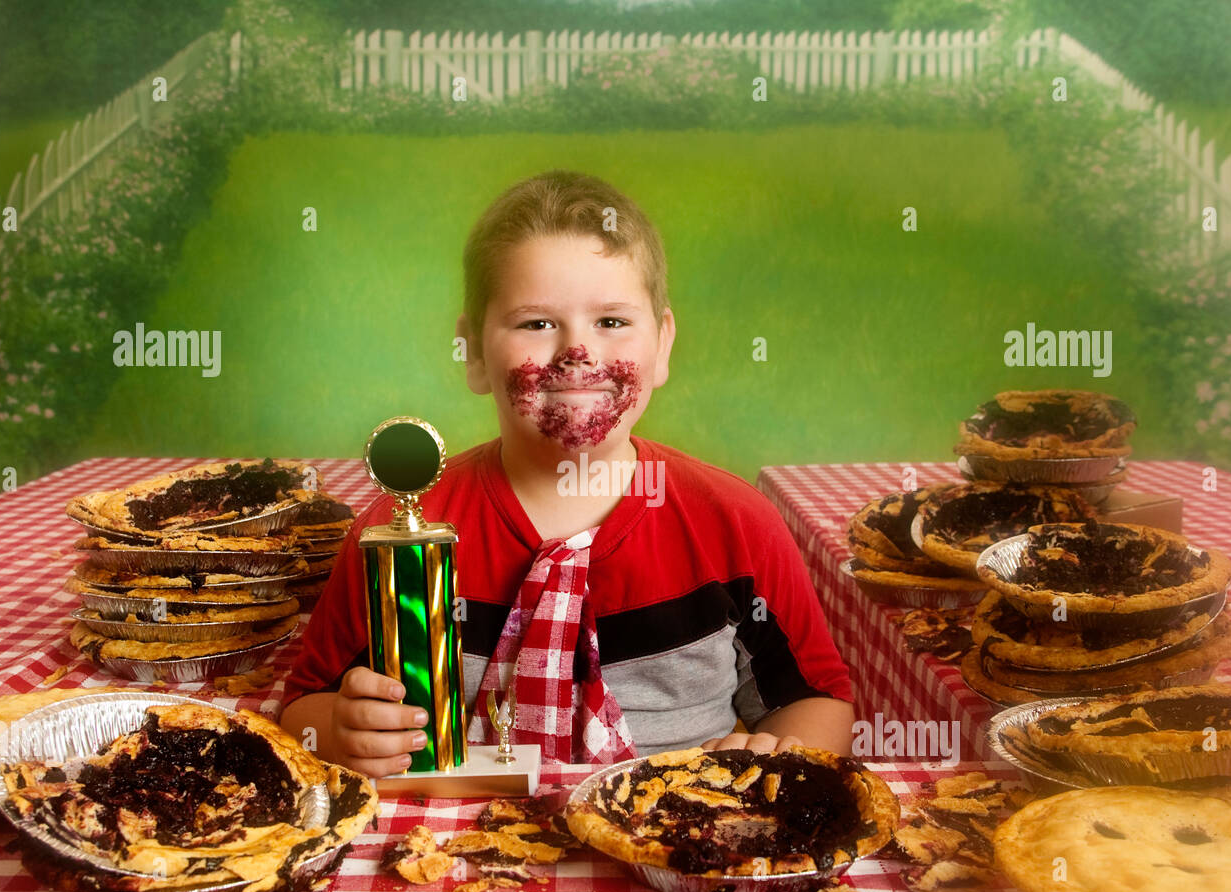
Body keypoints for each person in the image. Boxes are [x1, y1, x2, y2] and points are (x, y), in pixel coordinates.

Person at [281, 170, 855, 776]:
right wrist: (340, 731)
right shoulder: (395, 531)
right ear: (474, 353)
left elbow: (815, 703)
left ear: (661, 346)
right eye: (536, 323)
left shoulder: (735, 524)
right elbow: (302, 707)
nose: (577, 354)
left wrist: (781, 760)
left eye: (612, 321)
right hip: (451, 851)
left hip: (675, 842)